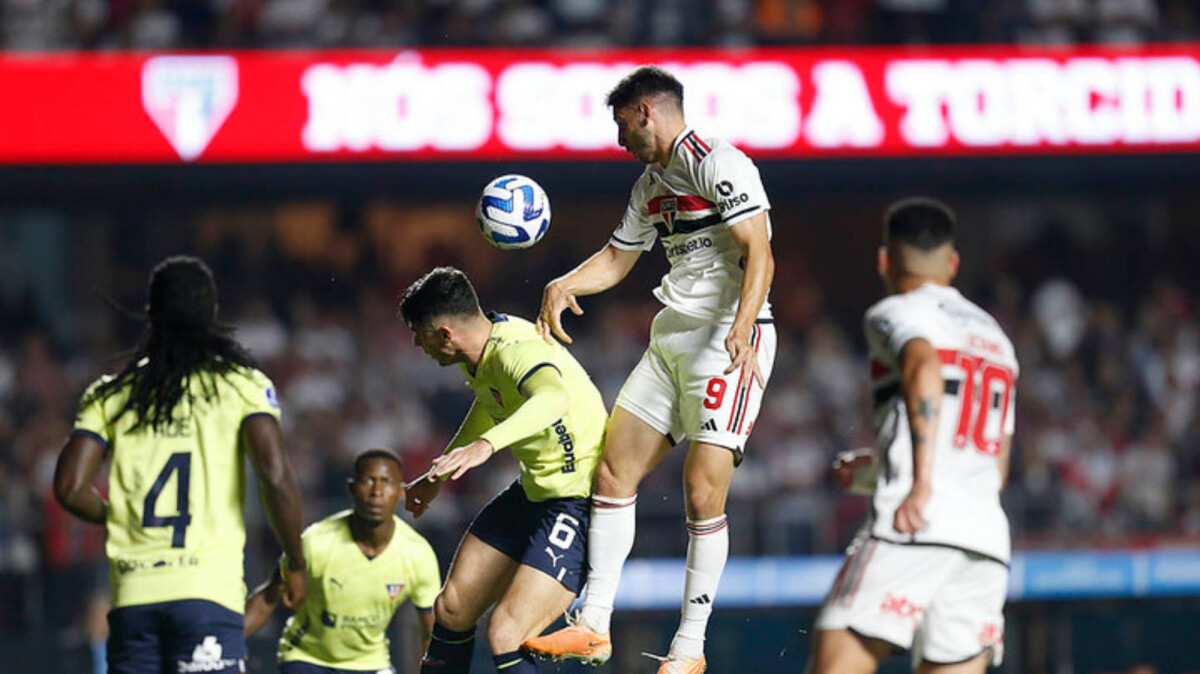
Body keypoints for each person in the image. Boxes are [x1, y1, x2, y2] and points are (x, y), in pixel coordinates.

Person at [523, 65, 776, 674]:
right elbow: (617, 259)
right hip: (672, 342)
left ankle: (689, 649)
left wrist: (741, 326)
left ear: (645, 112)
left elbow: (759, 249)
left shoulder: (720, 161)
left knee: (700, 492)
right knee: (612, 473)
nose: (619, 142)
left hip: (728, 342)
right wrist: (563, 283)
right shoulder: (648, 185)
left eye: (621, 126)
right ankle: (593, 624)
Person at [53, 255, 307, 674]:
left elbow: (68, 487)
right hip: (207, 593)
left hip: (134, 596)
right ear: (212, 314)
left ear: (151, 314)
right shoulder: (240, 384)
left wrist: (118, 516)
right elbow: (276, 476)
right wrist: (295, 563)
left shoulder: (111, 394)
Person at [807, 198, 1018, 674]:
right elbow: (994, 467)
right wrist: (878, 470)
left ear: (885, 260)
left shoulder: (896, 312)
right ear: (953, 262)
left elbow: (923, 363)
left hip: (917, 526)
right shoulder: (997, 339)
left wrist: (919, 484)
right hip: (984, 540)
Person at [398, 267, 607, 674]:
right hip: (534, 490)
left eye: (418, 332)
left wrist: (486, 446)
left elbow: (553, 397)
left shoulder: (516, 349)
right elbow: (491, 404)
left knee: (505, 633)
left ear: (445, 334)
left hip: (578, 499)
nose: (414, 343)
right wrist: (438, 476)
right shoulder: (479, 351)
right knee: (453, 608)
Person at [245, 448, 441, 674]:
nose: (377, 491)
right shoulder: (316, 542)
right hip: (308, 660)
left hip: (371, 664)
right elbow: (269, 596)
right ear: (352, 489)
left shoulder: (417, 554)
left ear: (400, 492)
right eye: (368, 481)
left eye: (386, 482)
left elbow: (431, 633)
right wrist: (227, 643)